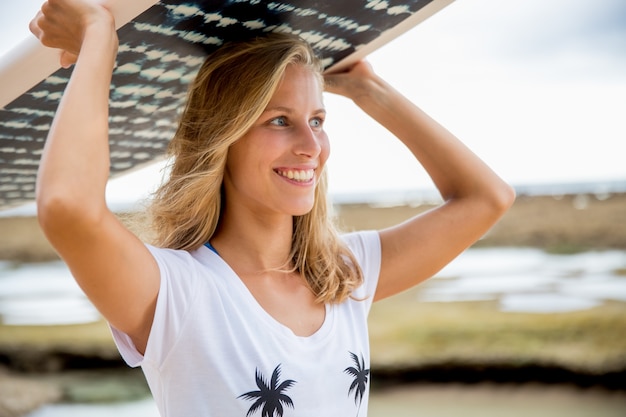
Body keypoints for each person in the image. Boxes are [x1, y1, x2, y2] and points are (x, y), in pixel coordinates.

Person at [30, 0, 515, 416]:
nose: (311, 146)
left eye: (318, 120)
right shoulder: (177, 293)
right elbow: (67, 205)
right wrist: (98, 39)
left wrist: (371, 91)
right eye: (280, 120)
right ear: (224, 138)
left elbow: (488, 199)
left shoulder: (344, 276)